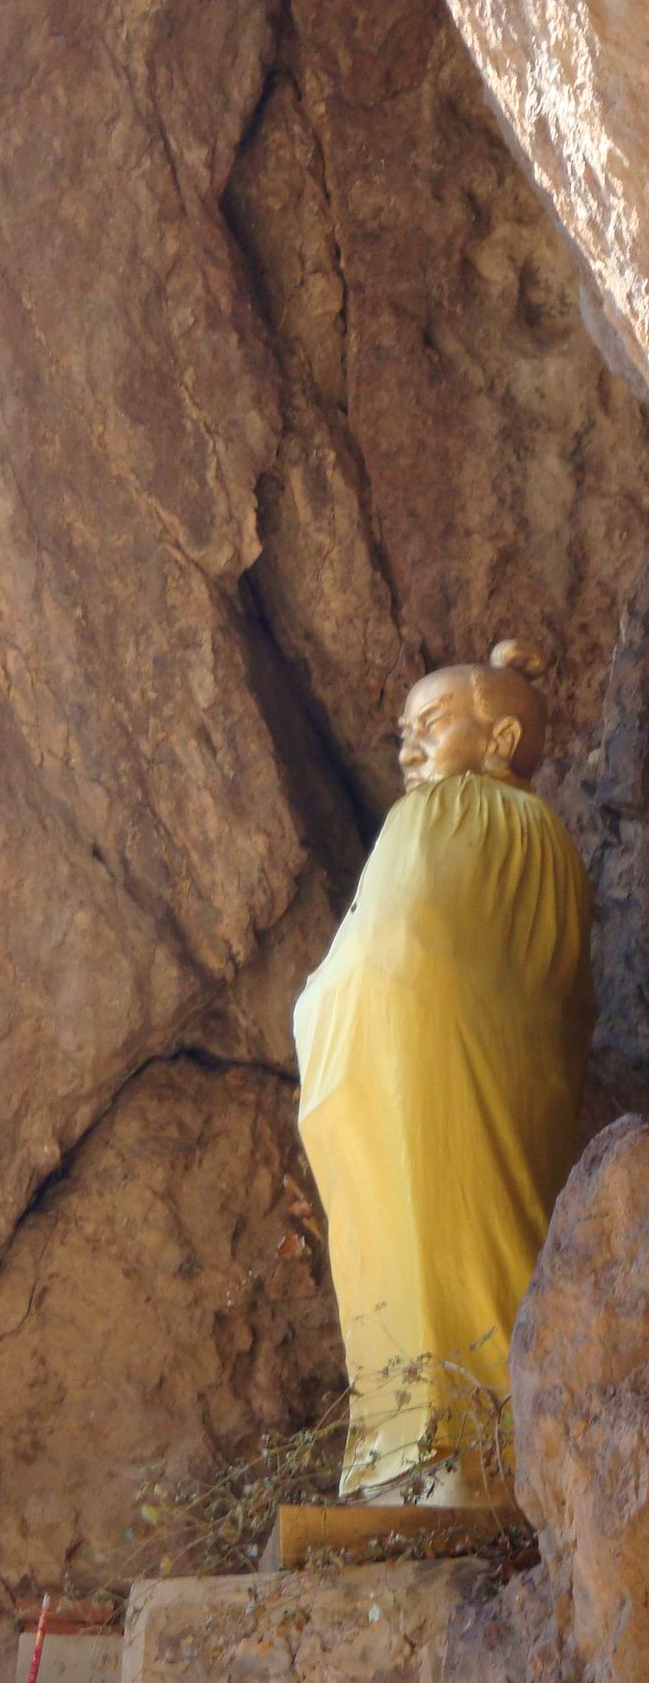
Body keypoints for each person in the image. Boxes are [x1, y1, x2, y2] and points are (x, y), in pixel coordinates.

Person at [293, 640, 595, 1504]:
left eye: (429, 725)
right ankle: (457, 1448)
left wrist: (320, 1009)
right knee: (441, 1247)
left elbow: (401, 947)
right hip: (448, 1069)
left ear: (501, 740)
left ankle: (463, 1451)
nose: (407, 750)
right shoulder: (541, 841)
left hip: (437, 1067)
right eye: (403, 732)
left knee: (444, 1234)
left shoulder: (456, 820)